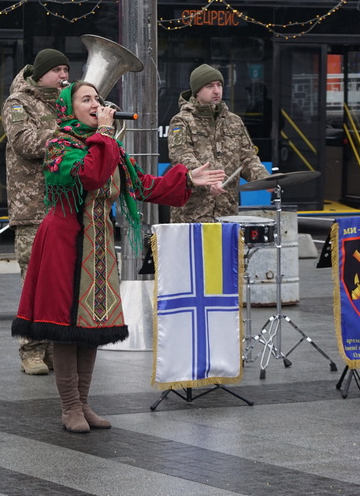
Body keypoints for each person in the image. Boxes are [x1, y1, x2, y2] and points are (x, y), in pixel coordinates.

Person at [12, 81, 224, 432]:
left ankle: (83, 403)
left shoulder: (108, 145)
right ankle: (69, 408)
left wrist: (187, 178)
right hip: (64, 242)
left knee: (92, 324)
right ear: (68, 108)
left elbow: (141, 186)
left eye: (98, 98)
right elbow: (91, 175)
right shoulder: (59, 144)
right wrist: (107, 132)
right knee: (64, 326)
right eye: (87, 99)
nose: (97, 104)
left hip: (97, 243)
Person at [2, 48, 70, 376]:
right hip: (32, 208)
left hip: (66, 203)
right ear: (40, 73)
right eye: (57, 70)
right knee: (33, 281)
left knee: (60, 282)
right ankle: (31, 350)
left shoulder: (67, 101)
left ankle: (56, 347)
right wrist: (68, 135)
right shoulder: (18, 103)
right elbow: (25, 142)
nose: (63, 76)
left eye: (65, 69)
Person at [168, 63, 270, 223]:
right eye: (209, 86)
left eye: (219, 85)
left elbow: (248, 158)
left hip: (227, 212)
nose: (216, 90)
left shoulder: (234, 121)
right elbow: (181, 155)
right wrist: (208, 182)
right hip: (193, 214)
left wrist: (265, 179)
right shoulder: (182, 121)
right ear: (197, 91)